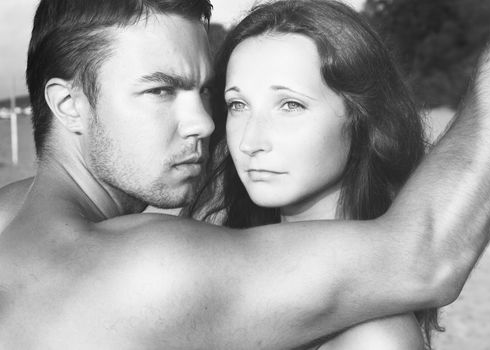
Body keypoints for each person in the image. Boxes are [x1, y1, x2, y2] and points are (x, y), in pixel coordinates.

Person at [0, 0, 490, 348]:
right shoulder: (146, 265)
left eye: (207, 93)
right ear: (69, 105)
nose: (205, 122)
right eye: (160, 90)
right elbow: (426, 253)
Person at [183, 1, 437, 349]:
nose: (249, 141)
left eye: (290, 105)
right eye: (237, 105)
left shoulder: (371, 338)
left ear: (362, 119)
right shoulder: (227, 277)